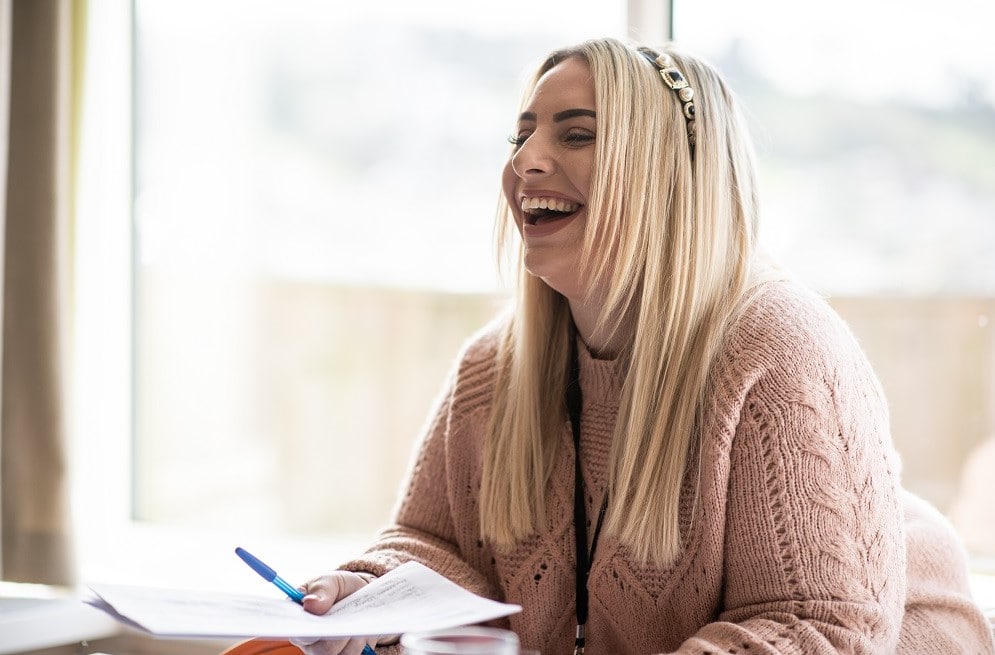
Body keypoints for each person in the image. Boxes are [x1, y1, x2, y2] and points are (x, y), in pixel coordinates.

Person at [291, 38, 995, 654]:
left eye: (575, 135)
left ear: (667, 174)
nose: (525, 162)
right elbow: (436, 544)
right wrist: (368, 588)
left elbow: (819, 628)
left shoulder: (777, 348)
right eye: (521, 135)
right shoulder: (494, 367)